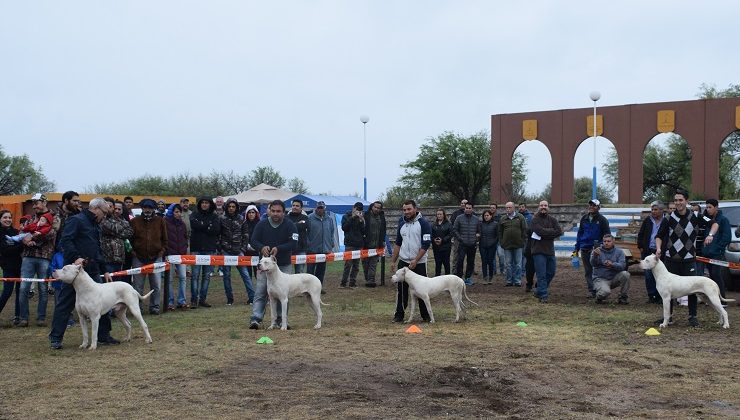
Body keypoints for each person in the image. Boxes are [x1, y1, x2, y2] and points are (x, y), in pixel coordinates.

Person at [49, 198, 119, 350]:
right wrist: (75, 257)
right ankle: (55, 338)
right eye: (105, 213)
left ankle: (103, 335)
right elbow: (65, 241)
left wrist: (105, 269)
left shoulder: (95, 225)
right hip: (74, 272)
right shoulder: (76, 220)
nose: (105, 217)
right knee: (65, 304)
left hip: (92, 270)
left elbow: (97, 249)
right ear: (96, 209)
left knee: (103, 302)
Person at [248, 200, 298, 329]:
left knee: (283, 295)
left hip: (283, 264)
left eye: (279, 211)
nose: (275, 213)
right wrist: (261, 247)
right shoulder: (262, 224)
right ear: (269, 211)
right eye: (273, 211)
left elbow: (294, 243)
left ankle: (281, 320)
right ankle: (256, 319)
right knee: (260, 292)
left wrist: (279, 248)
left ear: (284, 212)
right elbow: (253, 240)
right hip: (265, 266)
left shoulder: (290, 225)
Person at [655, 190, 701, 327]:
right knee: (667, 291)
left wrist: (710, 234)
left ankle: (692, 316)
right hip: (671, 259)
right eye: (676, 200)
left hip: (689, 259)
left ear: (686, 201)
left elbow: (714, 223)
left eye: (680, 200)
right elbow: (659, 236)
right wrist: (658, 248)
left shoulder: (696, 216)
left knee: (692, 289)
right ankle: (668, 317)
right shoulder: (668, 218)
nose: (678, 203)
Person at [18, 193, 58, 327]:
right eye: (33, 203)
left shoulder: (54, 217)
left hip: (44, 256)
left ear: (44, 202)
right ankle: (23, 318)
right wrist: (25, 240)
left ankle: (41, 318)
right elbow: (21, 233)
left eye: (36, 203)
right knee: (24, 287)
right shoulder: (30, 218)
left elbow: (51, 234)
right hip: (28, 256)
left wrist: (32, 237)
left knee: (43, 287)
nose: (34, 206)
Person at [390, 199, 432, 323]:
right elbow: (398, 243)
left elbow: (426, 244)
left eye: (409, 209)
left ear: (415, 209)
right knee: (401, 290)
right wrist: (393, 261)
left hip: (419, 263)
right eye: (404, 210)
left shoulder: (424, 223)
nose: (406, 212)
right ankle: (399, 315)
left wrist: (416, 259)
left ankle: (426, 315)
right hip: (403, 262)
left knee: (422, 290)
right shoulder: (401, 222)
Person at [130, 198, 167, 315]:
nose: (147, 210)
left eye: (150, 208)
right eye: (145, 207)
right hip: (138, 258)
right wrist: (133, 253)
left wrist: (161, 252)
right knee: (138, 286)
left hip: (156, 257)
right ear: (142, 208)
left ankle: (155, 307)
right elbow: (130, 239)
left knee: (156, 285)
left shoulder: (160, 221)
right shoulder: (135, 221)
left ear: (153, 209)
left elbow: (165, 239)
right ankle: (138, 308)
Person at [220, 198, 254, 305]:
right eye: (229, 206)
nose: (231, 208)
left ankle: (252, 298)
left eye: (233, 206)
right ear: (226, 207)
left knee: (245, 275)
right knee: (226, 276)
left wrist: (243, 248)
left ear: (236, 208)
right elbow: (218, 235)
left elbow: (246, 235)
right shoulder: (221, 219)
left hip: (239, 251)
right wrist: (222, 247)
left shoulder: (241, 219)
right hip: (226, 251)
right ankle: (230, 299)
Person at [574, 199, 611, 298]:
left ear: (598, 208)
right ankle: (592, 291)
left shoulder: (602, 220)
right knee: (588, 271)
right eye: (590, 205)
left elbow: (607, 235)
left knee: (597, 270)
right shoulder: (584, 218)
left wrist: (602, 247)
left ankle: (600, 290)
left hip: (596, 250)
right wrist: (576, 249)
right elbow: (580, 234)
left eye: (594, 205)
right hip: (584, 248)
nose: (591, 207)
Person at [189, 197, 221, 308]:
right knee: (195, 276)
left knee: (206, 276)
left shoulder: (215, 216)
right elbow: (194, 225)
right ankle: (194, 300)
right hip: (196, 249)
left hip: (210, 249)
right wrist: (207, 225)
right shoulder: (194, 214)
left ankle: (202, 299)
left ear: (210, 204)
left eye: (206, 202)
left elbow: (216, 230)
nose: (204, 204)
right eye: (202, 202)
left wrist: (202, 225)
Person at [530, 201, 562, 303]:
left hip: (550, 250)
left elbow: (559, 231)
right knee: (541, 274)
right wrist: (551, 232)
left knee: (551, 272)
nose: (543, 207)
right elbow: (539, 231)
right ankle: (543, 295)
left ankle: (538, 289)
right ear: (538, 207)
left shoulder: (553, 220)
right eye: (541, 205)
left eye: (545, 205)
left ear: (548, 207)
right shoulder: (535, 220)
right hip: (538, 251)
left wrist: (546, 233)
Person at [701, 199, 731, 298]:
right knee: (711, 276)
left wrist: (718, 248)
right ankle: (714, 298)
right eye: (707, 207)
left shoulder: (723, 220)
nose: (708, 209)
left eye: (710, 207)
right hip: (707, 253)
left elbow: (727, 237)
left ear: (716, 207)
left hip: (717, 253)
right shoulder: (706, 220)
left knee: (716, 275)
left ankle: (722, 299)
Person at [637, 201, 666, 303]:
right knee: (648, 274)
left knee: (660, 275)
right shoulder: (647, 220)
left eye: (655, 209)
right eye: (652, 210)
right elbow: (641, 234)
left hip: (660, 251)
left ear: (662, 210)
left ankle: (660, 296)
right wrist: (640, 246)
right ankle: (651, 295)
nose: (653, 212)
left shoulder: (666, 220)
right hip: (647, 250)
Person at [591, 234, 630, 304]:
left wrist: (612, 264)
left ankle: (623, 297)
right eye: (604, 241)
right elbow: (593, 264)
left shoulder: (619, 252)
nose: (606, 243)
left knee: (625, 274)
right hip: (600, 278)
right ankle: (598, 297)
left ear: (613, 242)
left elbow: (622, 266)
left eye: (608, 241)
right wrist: (595, 256)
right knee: (605, 292)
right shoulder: (597, 251)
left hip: (614, 278)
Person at [100, 197, 133, 278]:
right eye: (115, 208)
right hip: (107, 258)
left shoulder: (122, 220)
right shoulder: (102, 219)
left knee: (117, 283)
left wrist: (115, 232)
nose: (116, 211)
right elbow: (114, 228)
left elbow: (130, 232)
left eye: (119, 209)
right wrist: (120, 229)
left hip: (119, 258)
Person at [306, 201, 335, 293]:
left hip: (324, 249)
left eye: (322, 208)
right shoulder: (309, 218)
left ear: (325, 208)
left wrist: (331, 243)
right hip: (312, 249)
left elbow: (331, 232)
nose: (320, 209)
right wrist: (308, 244)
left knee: (321, 271)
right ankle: (308, 289)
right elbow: (306, 233)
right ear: (316, 208)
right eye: (318, 207)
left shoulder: (329, 219)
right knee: (310, 271)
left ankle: (319, 288)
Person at [164, 203, 189, 309]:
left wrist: (184, 248)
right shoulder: (165, 223)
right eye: (176, 212)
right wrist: (167, 251)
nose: (179, 214)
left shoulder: (182, 224)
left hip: (181, 254)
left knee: (183, 277)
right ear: (171, 212)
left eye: (180, 212)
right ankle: (169, 302)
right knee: (169, 279)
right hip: (170, 255)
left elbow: (185, 237)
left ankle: (181, 300)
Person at [0, 210, 23, 326]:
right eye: (5, 217)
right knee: (7, 292)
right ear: (0, 219)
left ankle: (18, 316)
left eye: (9, 217)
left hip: (19, 266)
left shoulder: (15, 232)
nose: (8, 219)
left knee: (20, 292)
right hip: (8, 266)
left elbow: (21, 244)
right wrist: (20, 245)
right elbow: (4, 250)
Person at [498, 202, 527, 287]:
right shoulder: (503, 218)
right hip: (507, 245)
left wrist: (522, 241)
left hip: (518, 245)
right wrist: (502, 241)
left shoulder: (520, 217)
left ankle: (517, 281)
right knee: (508, 264)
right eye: (506, 207)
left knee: (518, 264)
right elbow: (500, 231)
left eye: (510, 207)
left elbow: (524, 229)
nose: (508, 209)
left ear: (514, 208)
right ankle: (509, 281)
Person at [453, 202, 480, 285]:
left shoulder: (476, 219)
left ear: (472, 209)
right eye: (466, 208)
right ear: (464, 208)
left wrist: (477, 237)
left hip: (472, 244)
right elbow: (455, 229)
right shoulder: (459, 218)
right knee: (460, 261)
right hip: (462, 244)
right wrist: (460, 238)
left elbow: (479, 231)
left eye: (469, 208)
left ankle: (468, 278)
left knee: (470, 262)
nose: (468, 209)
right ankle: (459, 278)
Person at [340, 202, 366, 288]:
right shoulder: (346, 216)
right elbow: (344, 228)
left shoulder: (361, 218)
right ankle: (343, 283)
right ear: (353, 208)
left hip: (358, 244)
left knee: (356, 265)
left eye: (360, 210)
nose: (358, 211)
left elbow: (363, 231)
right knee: (348, 264)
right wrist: (352, 217)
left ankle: (352, 282)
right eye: (357, 209)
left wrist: (362, 221)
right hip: (349, 244)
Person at [362, 201, 386, 288]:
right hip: (366, 244)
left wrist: (382, 241)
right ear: (372, 207)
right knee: (365, 264)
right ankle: (367, 278)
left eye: (378, 208)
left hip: (377, 245)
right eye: (375, 207)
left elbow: (383, 230)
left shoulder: (382, 217)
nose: (376, 209)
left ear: (380, 209)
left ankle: (371, 280)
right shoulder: (366, 216)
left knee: (373, 264)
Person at [286, 199, 310, 274]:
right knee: (287, 273)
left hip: (301, 249)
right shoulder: (286, 218)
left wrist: (292, 225)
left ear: (301, 208)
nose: (295, 207)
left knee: (300, 273)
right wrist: (297, 224)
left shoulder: (305, 218)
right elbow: (287, 229)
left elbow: (303, 227)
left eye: (297, 206)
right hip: (288, 249)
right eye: (293, 205)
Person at [479, 210, 498, 285]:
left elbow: (497, 235)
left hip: (492, 246)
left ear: (491, 216)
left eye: (487, 215)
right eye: (485, 215)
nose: (486, 217)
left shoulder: (495, 224)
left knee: (490, 261)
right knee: (484, 261)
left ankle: (490, 277)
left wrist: (494, 242)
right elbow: (479, 233)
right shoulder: (480, 224)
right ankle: (485, 277)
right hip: (482, 245)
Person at [431, 208, 452, 277]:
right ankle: (437, 279)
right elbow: (431, 234)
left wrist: (442, 240)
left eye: (440, 214)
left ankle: (448, 279)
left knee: (446, 263)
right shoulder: (433, 224)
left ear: (443, 215)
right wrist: (434, 240)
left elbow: (451, 234)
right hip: (436, 247)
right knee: (438, 263)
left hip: (446, 247)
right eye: (437, 214)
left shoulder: (448, 224)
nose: (439, 216)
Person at [449, 199, 468, 275]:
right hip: (457, 238)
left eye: (465, 203)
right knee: (456, 256)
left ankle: (470, 272)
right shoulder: (455, 214)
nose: (463, 204)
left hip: (468, 238)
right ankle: (454, 272)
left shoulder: (472, 214)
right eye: (462, 203)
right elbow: (452, 226)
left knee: (469, 256)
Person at [243, 204, 261, 279]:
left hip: (257, 251)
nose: (251, 214)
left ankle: (259, 290)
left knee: (258, 272)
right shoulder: (243, 223)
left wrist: (257, 246)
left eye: (253, 212)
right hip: (246, 251)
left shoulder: (260, 224)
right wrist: (246, 245)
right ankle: (250, 290)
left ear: (256, 213)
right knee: (248, 273)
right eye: (249, 212)